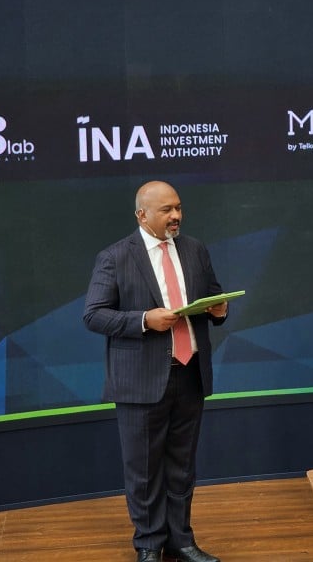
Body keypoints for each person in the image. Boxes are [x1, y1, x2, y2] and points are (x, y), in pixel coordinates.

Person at [83, 181, 227, 562]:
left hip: (189, 373)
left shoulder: (195, 249)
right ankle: (148, 544)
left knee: (182, 467)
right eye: (166, 210)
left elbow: (213, 293)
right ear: (141, 215)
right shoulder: (115, 257)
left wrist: (220, 310)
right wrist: (144, 320)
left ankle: (181, 541)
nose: (176, 216)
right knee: (144, 471)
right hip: (140, 380)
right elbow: (94, 315)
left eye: (178, 207)